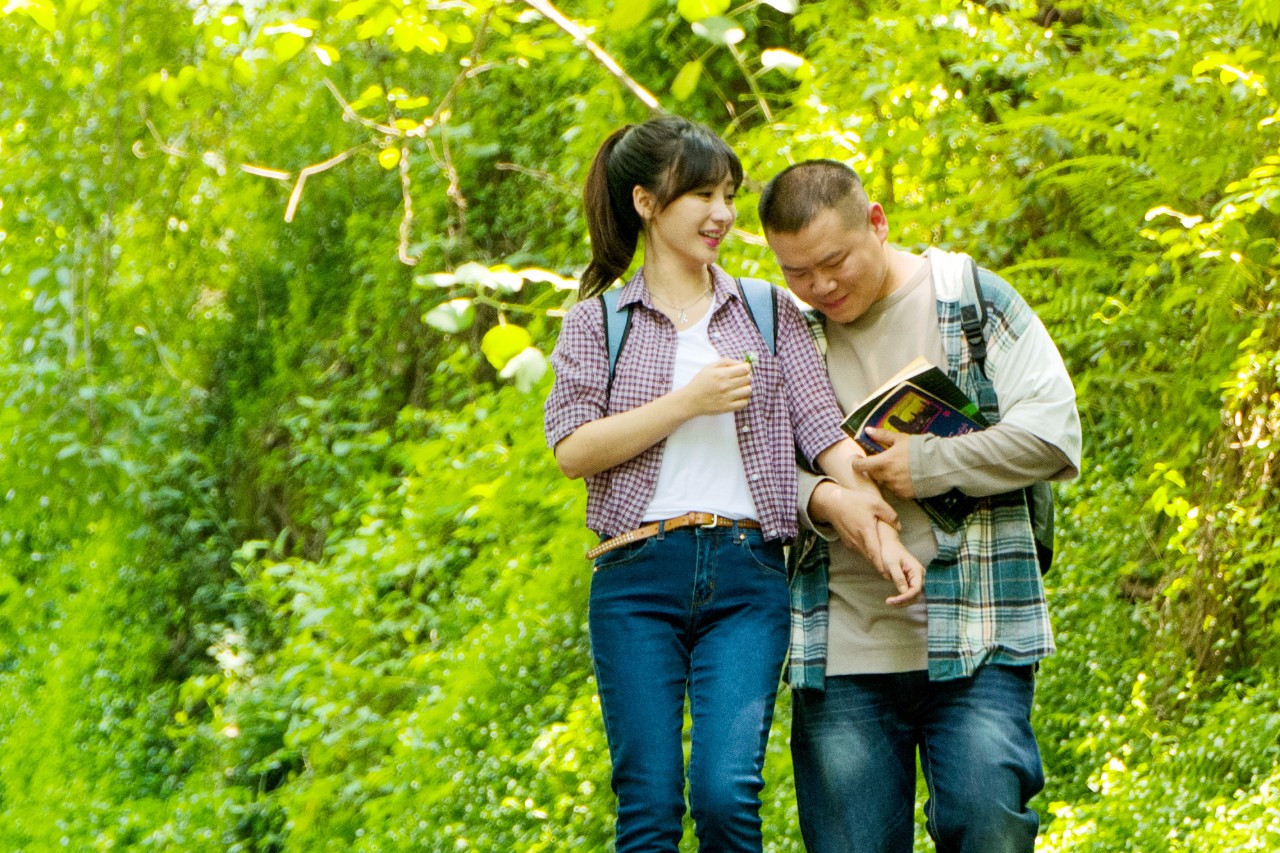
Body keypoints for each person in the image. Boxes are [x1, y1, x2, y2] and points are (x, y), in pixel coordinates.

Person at [543, 119, 922, 852]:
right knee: (649, 807)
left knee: (725, 796)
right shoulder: (598, 322)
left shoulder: (766, 308)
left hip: (748, 579)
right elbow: (574, 450)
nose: (722, 213)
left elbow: (821, 430)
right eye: (702, 196)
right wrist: (687, 401)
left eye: (728, 195)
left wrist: (873, 515)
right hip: (633, 577)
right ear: (648, 202)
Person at [757, 159, 1082, 853]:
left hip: (979, 631)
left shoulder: (972, 299)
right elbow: (745, 473)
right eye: (796, 272)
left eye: (834, 261)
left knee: (990, 828)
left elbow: (1054, 436)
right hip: (840, 644)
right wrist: (822, 498)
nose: (820, 285)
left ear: (876, 222)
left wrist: (928, 464)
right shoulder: (787, 333)